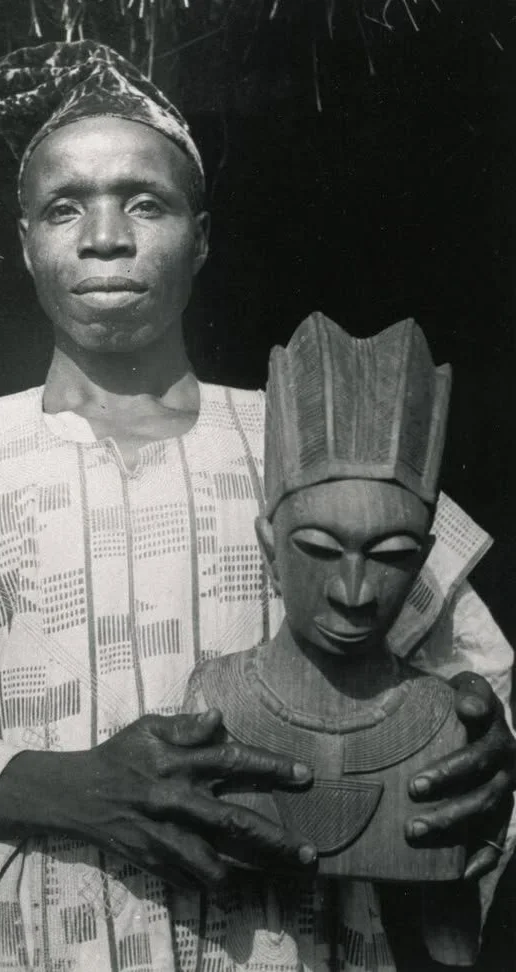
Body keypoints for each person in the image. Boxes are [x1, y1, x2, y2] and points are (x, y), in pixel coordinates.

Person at [0, 40, 513, 972]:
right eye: (63, 208)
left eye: (145, 202)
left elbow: (477, 681)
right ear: (24, 242)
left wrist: (481, 763)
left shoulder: (311, 439)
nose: (104, 237)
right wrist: (73, 788)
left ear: (200, 237)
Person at [180, 313, 486, 970]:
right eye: (318, 549)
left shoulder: (440, 723)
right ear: (268, 550)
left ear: (425, 556)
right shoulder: (217, 701)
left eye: (392, 554)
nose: (353, 592)